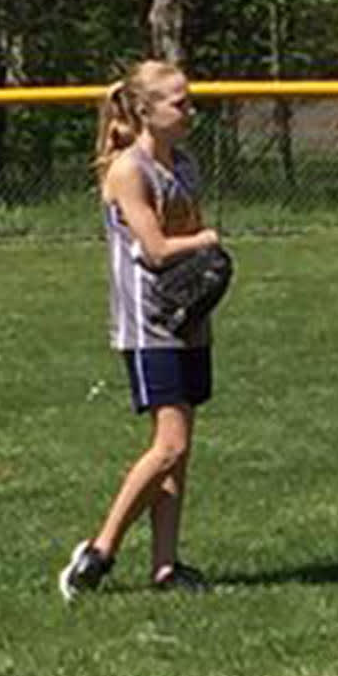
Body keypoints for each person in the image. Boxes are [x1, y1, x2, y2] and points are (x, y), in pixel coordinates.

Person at [58, 59, 222, 599]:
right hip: (148, 324)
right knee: (169, 447)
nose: (189, 110)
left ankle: (166, 567)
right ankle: (100, 550)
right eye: (179, 102)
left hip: (186, 320)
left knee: (179, 449)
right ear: (148, 111)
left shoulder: (186, 165)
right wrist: (206, 242)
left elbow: (186, 234)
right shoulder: (129, 171)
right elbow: (155, 251)